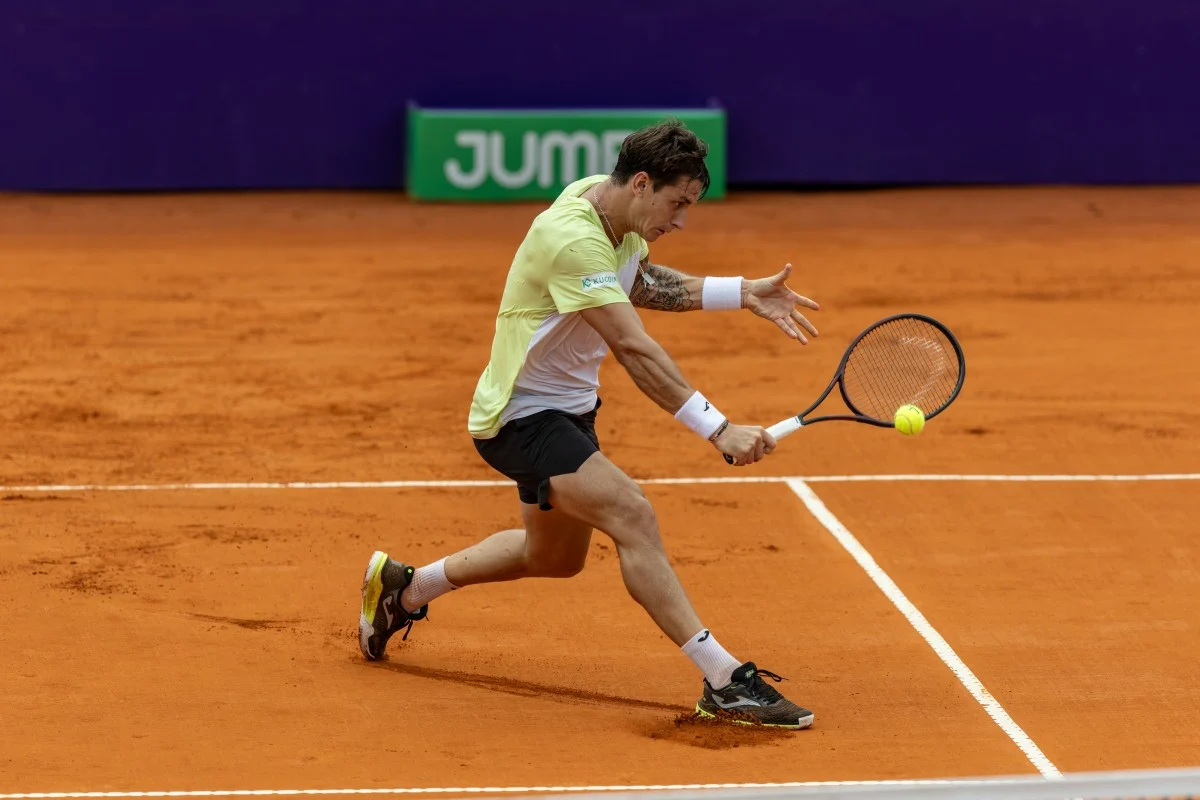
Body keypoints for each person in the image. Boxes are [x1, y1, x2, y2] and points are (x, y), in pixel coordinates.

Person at [359, 120, 821, 728]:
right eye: (677, 203)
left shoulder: (607, 209)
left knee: (552, 556)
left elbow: (642, 282)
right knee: (632, 512)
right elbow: (634, 348)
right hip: (521, 415)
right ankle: (723, 677)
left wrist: (739, 291)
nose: (681, 221)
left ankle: (404, 590)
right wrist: (718, 428)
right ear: (640, 182)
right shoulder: (572, 238)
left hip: (570, 411)